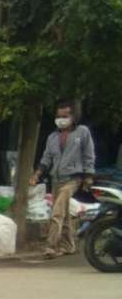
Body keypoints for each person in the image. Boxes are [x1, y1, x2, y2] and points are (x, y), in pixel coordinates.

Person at [32, 102, 96, 259]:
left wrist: (88, 176)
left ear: (72, 117)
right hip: (56, 179)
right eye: (58, 116)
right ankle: (68, 246)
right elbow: (46, 159)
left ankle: (51, 247)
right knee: (65, 214)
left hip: (73, 179)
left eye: (64, 116)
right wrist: (37, 174)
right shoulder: (52, 137)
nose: (61, 119)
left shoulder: (82, 132)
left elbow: (89, 154)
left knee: (57, 213)